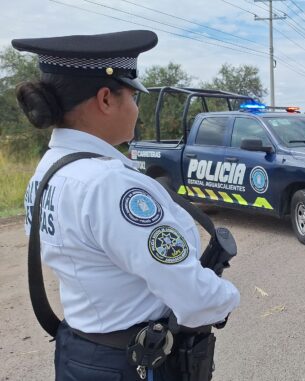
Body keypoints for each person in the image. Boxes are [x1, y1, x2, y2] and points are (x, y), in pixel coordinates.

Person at [14, 30, 240, 380]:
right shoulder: (111, 185)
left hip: (78, 352)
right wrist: (227, 297)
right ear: (106, 99)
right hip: (131, 364)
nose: (137, 109)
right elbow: (194, 298)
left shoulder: (48, 172)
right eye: (133, 97)